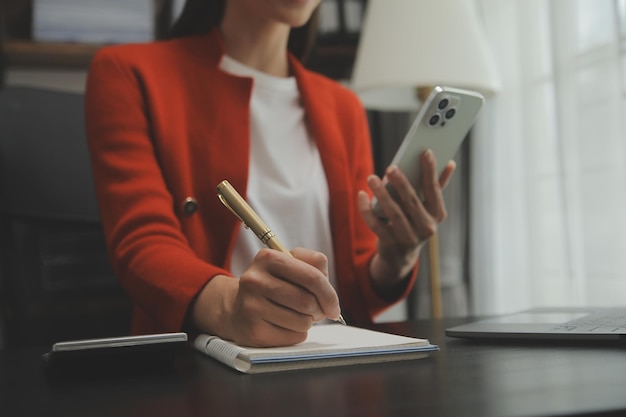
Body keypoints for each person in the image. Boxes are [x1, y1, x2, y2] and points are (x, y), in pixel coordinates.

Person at [85, 0, 455, 348]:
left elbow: (356, 295)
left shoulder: (343, 107)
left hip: (335, 363)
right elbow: (142, 244)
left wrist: (396, 257)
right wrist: (229, 306)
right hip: (198, 372)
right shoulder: (129, 73)